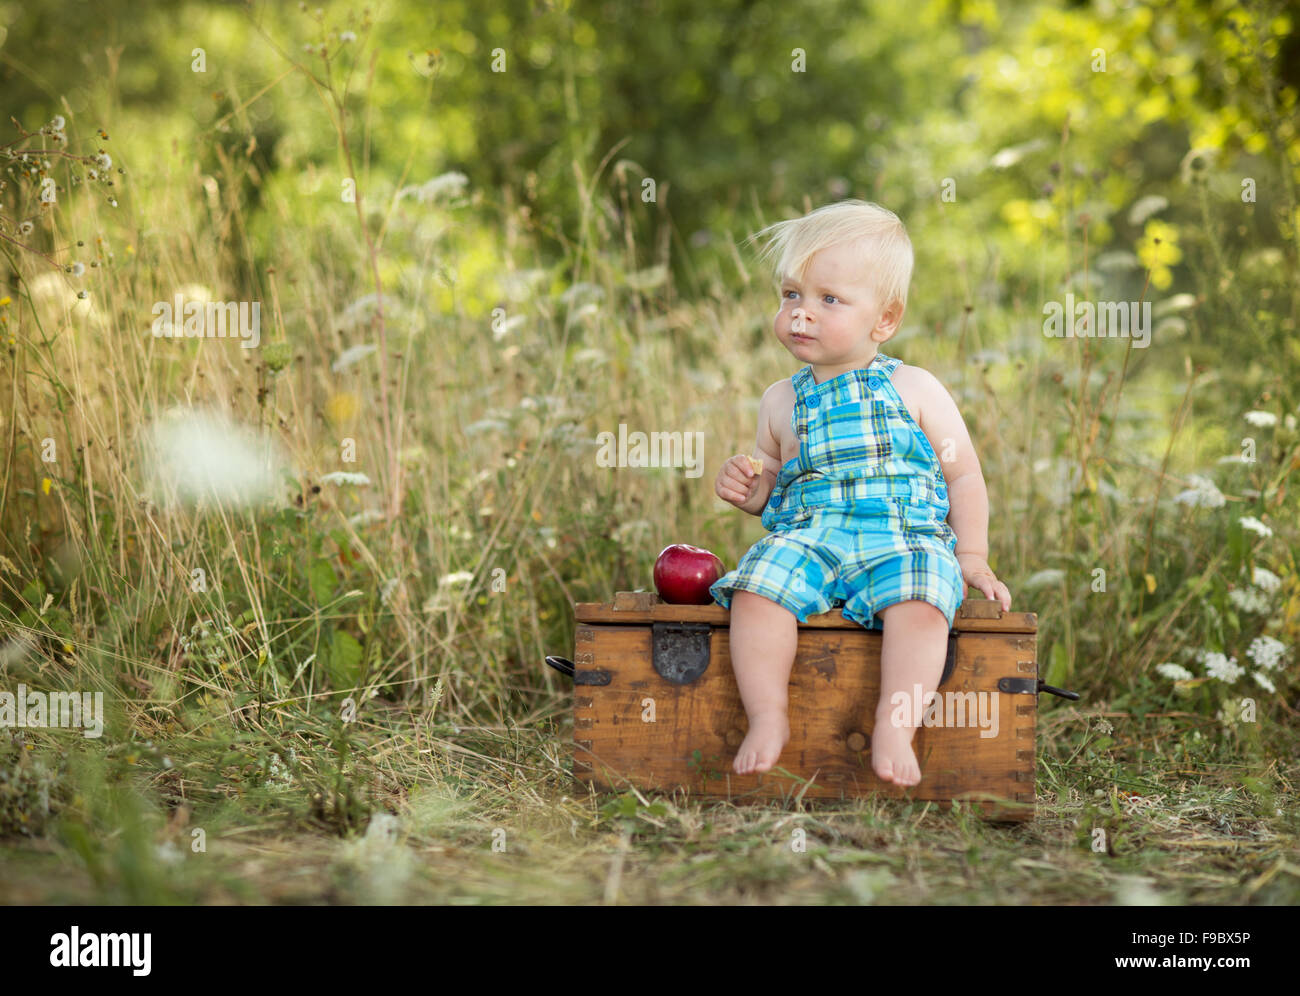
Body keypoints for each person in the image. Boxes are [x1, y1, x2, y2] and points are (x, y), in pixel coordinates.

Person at [710, 199, 1013, 786]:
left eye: (829, 300)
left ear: (885, 321)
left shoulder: (914, 387)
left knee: (924, 598)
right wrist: (750, 490)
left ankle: (895, 723)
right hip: (812, 534)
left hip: (901, 535)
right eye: (791, 294)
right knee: (756, 588)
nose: (801, 314)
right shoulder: (780, 399)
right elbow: (771, 482)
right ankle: (769, 715)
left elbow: (964, 475)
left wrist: (970, 555)